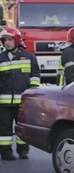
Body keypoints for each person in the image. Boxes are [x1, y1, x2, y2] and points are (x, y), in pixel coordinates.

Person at [0, 28, 40, 160]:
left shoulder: (29, 57)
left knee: (21, 128)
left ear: (17, 40)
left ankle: (23, 151)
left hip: (23, 102)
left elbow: (35, 76)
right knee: (4, 129)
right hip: (4, 103)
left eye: (10, 39)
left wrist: (32, 92)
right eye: (5, 40)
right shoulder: (0, 58)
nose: (7, 43)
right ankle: (6, 153)